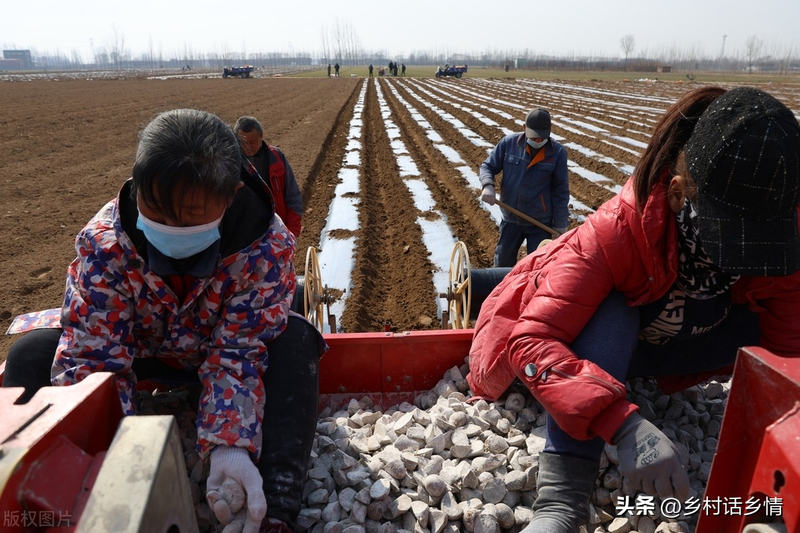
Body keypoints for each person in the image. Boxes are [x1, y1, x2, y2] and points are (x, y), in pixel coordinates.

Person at [467, 86, 800, 532]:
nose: (746, 259)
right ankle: (562, 502)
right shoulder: (618, 231)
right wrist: (621, 424)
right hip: (611, 348)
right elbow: (529, 342)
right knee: (611, 306)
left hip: (684, 348)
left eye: (758, 246)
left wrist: (777, 480)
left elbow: (789, 355)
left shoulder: (781, 232)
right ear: (680, 195)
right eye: (731, 241)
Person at [1, 109, 326, 533]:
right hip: (141, 354)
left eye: (190, 213)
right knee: (31, 352)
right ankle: (46, 500)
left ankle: (275, 506)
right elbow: (93, 356)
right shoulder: (106, 243)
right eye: (154, 208)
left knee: (297, 339)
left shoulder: (265, 248)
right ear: (137, 187)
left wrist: (229, 448)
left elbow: (240, 351)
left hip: (214, 354)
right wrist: (125, 462)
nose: (169, 225)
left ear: (228, 199)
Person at [479, 108, 569, 266]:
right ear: (524, 128)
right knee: (502, 265)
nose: (538, 140)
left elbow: (560, 191)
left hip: (539, 222)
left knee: (537, 268)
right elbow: (487, 166)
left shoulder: (558, 153)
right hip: (511, 219)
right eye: (534, 136)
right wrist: (488, 185)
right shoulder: (509, 144)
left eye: (542, 137)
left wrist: (561, 223)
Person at [234, 116, 304, 237]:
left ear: (261, 137)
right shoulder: (231, 163)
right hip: (246, 238)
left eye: (252, 142)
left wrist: (292, 233)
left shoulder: (276, 157)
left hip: (278, 231)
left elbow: (293, 197)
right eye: (243, 142)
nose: (248, 147)